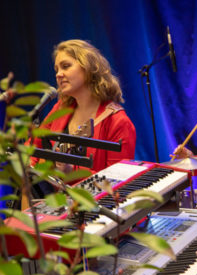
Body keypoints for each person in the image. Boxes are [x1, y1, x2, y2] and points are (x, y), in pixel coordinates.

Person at [31, 39, 136, 175]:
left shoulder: (118, 122)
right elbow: (33, 145)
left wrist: (72, 172)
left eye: (66, 66)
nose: (58, 74)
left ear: (88, 68)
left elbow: (118, 183)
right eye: (56, 69)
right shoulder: (61, 109)